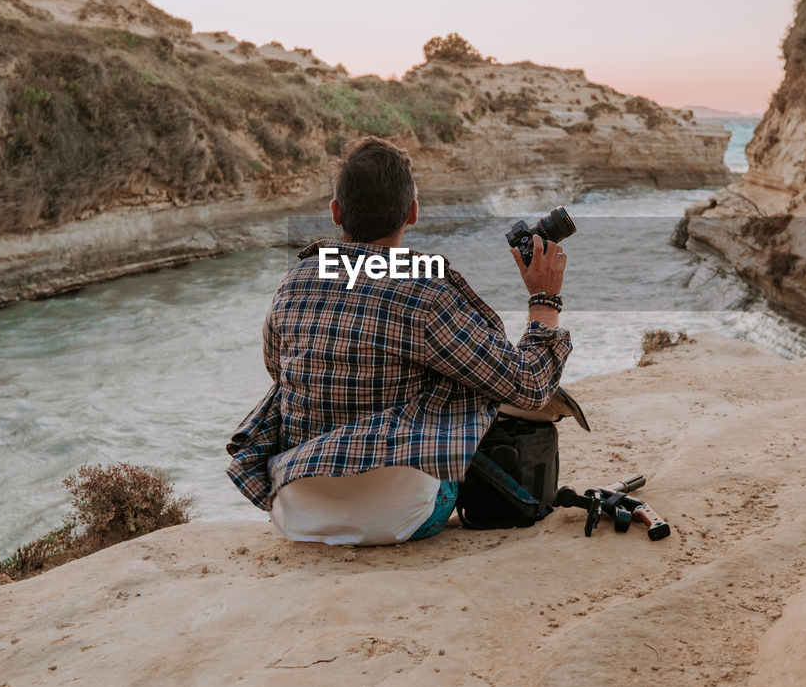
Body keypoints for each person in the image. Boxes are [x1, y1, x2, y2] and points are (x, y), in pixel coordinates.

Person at [226, 136, 572, 545]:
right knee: (464, 375)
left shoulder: (291, 283)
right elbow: (530, 386)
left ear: (336, 213)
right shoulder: (428, 293)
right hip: (402, 516)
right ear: (413, 212)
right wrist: (544, 301)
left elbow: (275, 371)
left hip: (296, 511)